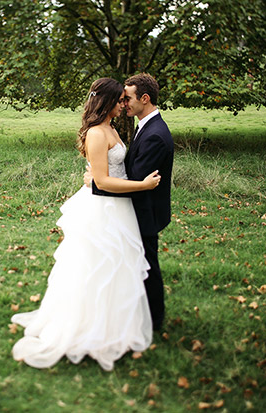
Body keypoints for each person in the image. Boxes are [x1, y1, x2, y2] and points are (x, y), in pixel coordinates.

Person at [10, 78, 161, 371]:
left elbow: (109, 171)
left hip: (120, 209)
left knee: (118, 268)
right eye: (119, 100)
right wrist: (141, 185)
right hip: (103, 210)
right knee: (96, 268)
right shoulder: (96, 133)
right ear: (107, 102)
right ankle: (88, 328)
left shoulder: (113, 128)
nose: (123, 104)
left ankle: (115, 325)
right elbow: (102, 181)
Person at [89, 73, 174, 332]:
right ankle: (132, 311)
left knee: (148, 265)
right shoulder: (145, 126)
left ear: (144, 99)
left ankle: (155, 319)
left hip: (146, 210)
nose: (123, 103)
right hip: (133, 208)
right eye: (121, 99)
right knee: (136, 262)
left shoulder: (155, 135)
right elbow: (130, 169)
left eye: (128, 99)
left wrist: (96, 181)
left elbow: (136, 178)